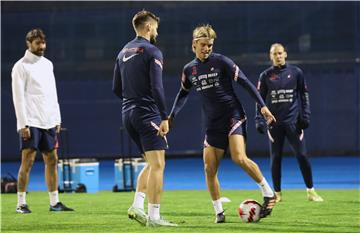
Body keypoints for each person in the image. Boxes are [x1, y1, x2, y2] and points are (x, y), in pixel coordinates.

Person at [169, 24, 277, 223]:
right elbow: (182, 94)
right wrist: (171, 117)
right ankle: (219, 213)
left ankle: (269, 193)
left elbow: (245, 82)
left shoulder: (222, 62)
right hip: (212, 123)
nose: (207, 48)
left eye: (210, 45)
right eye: (203, 45)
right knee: (209, 168)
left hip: (233, 116)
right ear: (194, 45)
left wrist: (262, 107)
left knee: (238, 157)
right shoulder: (189, 70)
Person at [112, 10, 177, 227]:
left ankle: (137, 206)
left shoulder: (122, 51)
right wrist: (165, 116)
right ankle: (155, 218)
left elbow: (116, 88)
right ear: (148, 27)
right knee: (159, 165)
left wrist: (133, 98)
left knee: (150, 163)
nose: (156, 30)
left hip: (127, 114)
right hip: (147, 113)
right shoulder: (152, 51)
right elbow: (157, 87)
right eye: (155, 27)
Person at [11, 28, 74, 214]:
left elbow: (52, 93)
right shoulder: (20, 66)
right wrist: (22, 124)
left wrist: (57, 117)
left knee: (52, 159)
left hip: (48, 121)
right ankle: (21, 203)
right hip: (31, 121)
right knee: (28, 161)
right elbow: (18, 98)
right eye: (37, 43)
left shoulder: (48, 64)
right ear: (28, 44)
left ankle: (55, 203)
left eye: (43, 43)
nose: (42, 46)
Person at [255, 43, 323, 202]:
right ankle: (277, 194)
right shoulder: (265, 76)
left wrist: (305, 116)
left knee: (302, 156)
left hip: (293, 123)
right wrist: (259, 119)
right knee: (276, 158)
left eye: (280, 53)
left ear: (285, 54)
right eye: (274, 54)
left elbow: (304, 96)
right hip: (274, 124)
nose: (277, 56)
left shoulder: (296, 73)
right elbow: (259, 100)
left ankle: (311, 191)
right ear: (270, 56)